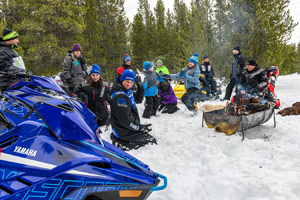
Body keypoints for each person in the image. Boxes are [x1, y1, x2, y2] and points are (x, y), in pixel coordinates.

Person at [109, 69, 157, 151]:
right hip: (124, 131)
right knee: (151, 141)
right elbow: (125, 120)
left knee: (148, 137)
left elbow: (138, 99)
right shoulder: (120, 96)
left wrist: (140, 85)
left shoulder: (126, 91)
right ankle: (121, 143)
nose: (129, 84)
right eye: (127, 81)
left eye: (131, 82)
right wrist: (139, 127)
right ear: (122, 80)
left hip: (127, 128)